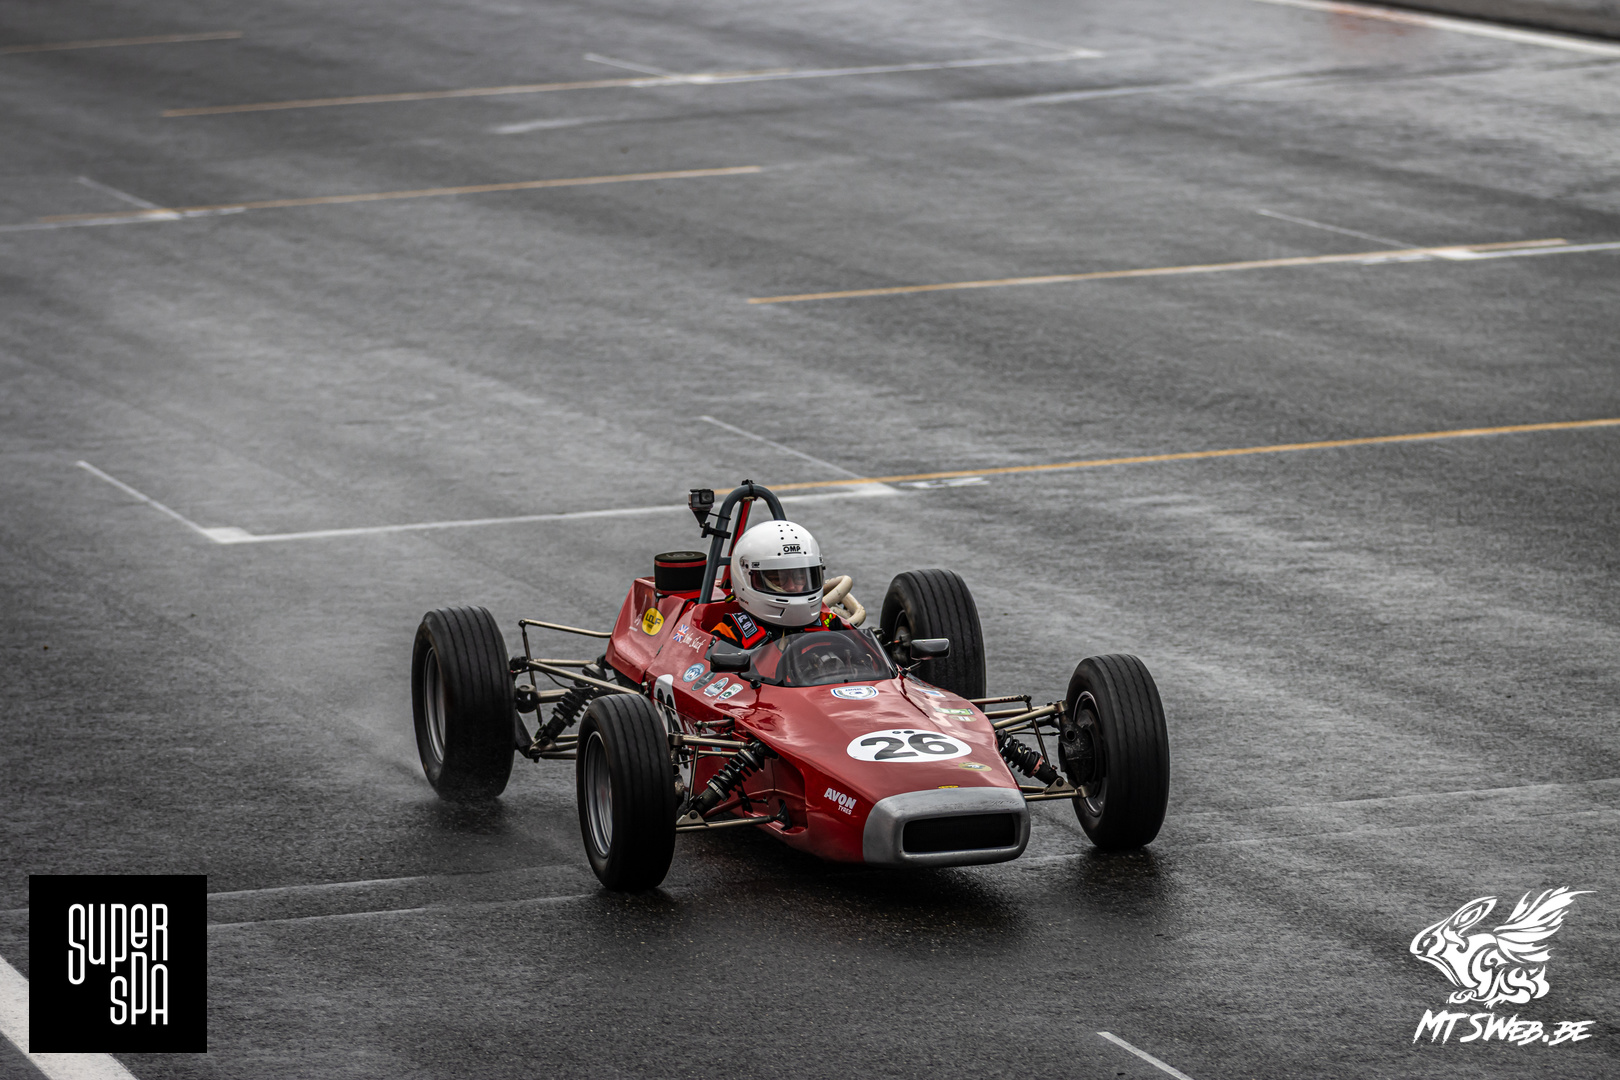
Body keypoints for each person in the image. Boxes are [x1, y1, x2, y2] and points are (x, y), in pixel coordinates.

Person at [711, 520, 838, 647]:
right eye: (778, 579)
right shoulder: (729, 636)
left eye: (799, 577)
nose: (792, 587)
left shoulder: (830, 623)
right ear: (746, 578)